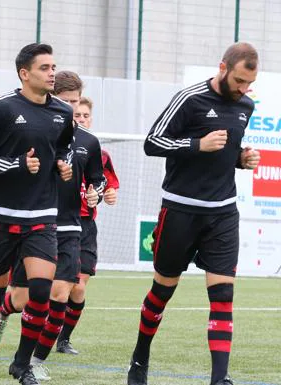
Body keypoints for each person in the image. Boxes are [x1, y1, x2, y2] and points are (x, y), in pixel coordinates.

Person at [127, 42, 260, 385]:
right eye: (240, 81)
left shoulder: (246, 105)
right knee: (162, 291)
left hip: (223, 213)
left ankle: (220, 378)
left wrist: (240, 160)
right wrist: (196, 144)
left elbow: (226, 153)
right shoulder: (190, 99)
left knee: (223, 296)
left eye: (249, 83)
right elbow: (152, 142)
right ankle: (140, 358)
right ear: (223, 67)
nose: (244, 89)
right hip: (180, 210)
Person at [0, 43, 74, 385]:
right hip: (0, 215)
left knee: (41, 292)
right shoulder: (1, 107)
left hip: (42, 215)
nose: (52, 73)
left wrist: (64, 165)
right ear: (24, 74)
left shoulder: (62, 112)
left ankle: (21, 363)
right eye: (44, 67)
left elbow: (66, 147)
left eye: (53, 66)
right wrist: (16, 165)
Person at [0, 71, 105, 381]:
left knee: (60, 292)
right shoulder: (36, 129)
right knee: (20, 299)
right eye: (66, 102)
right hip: (35, 222)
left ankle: (33, 361)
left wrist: (97, 190)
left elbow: (98, 176)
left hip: (69, 227)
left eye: (76, 102)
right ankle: (4, 312)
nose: (71, 109)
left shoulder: (89, 142)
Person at [55, 95, 120, 356]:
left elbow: (107, 185)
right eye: (76, 115)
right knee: (54, 288)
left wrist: (106, 195)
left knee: (79, 288)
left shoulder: (96, 150)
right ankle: (40, 332)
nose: (80, 119)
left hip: (85, 226)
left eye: (85, 116)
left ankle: (63, 339)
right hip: (58, 223)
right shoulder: (57, 145)